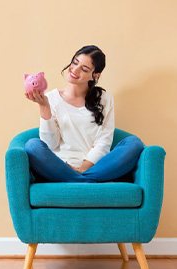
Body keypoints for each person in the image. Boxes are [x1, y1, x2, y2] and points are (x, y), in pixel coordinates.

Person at [24, 45, 144, 183]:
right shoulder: (51, 98)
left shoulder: (104, 99)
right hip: (60, 166)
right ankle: (86, 181)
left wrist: (83, 168)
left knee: (134, 143)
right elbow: (50, 145)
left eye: (84, 69)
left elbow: (103, 141)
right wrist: (44, 106)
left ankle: (78, 179)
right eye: (75, 62)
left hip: (94, 167)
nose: (75, 70)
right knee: (32, 146)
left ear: (95, 75)